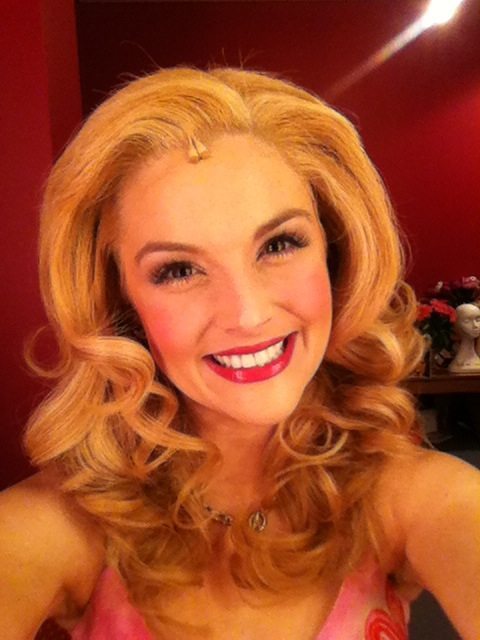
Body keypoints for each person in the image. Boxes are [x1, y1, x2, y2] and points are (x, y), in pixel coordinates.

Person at [1, 67, 479, 640]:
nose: (248, 314)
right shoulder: (55, 525)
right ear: (121, 301)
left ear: (335, 253)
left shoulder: (417, 498)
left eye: (279, 244)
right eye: (178, 270)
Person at [449, 303, 480, 373]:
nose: (475, 325)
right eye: (467, 321)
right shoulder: (458, 363)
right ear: (456, 324)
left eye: (478, 320)